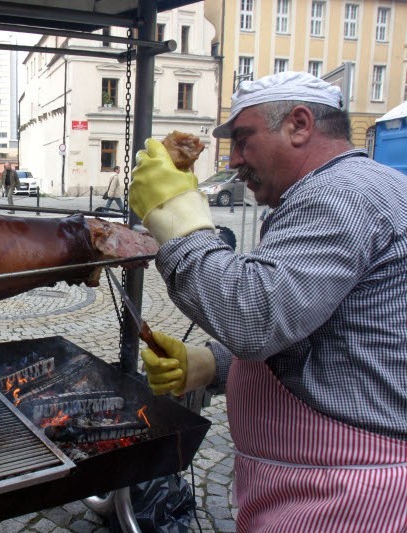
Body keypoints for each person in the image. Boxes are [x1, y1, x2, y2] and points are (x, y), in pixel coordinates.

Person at [129, 71, 407, 531]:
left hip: (346, 492)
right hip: (312, 482)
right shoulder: (353, 188)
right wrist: (213, 364)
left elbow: (254, 318)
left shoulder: (340, 195)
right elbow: (318, 325)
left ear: (299, 124)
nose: (234, 159)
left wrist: (176, 222)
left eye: (243, 138)